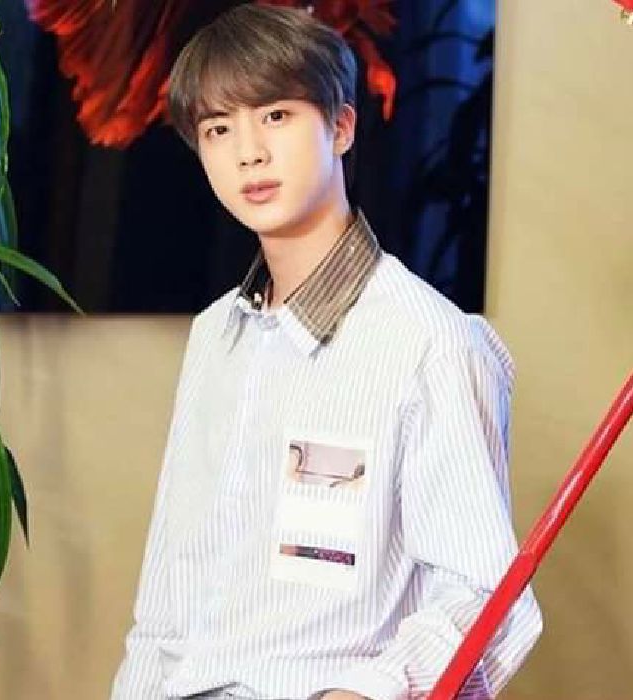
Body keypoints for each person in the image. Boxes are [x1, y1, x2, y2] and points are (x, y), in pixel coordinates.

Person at [110, 5, 542, 699]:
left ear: (341, 127)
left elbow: (486, 596)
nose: (248, 151)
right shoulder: (216, 334)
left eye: (276, 116)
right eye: (218, 129)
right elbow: (167, 600)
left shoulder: (432, 341)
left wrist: (370, 691)